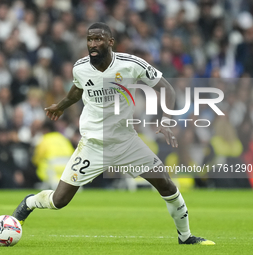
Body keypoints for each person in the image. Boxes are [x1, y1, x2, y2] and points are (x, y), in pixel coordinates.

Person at [12, 22, 215, 245]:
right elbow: (79, 88)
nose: (92, 44)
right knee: (59, 200)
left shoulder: (131, 64)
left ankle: (185, 237)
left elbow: (166, 87)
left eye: (98, 39)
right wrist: (61, 106)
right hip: (93, 145)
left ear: (110, 42)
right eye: (89, 39)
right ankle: (29, 203)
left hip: (126, 142)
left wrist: (166, 120)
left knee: (166, 185)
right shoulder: (80, 67)